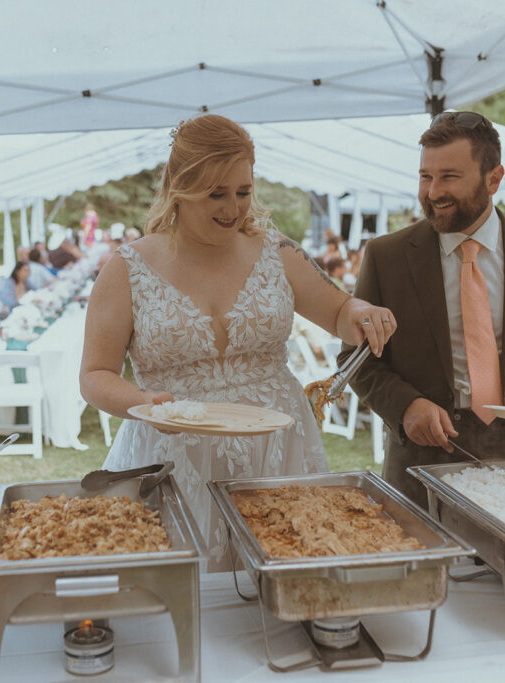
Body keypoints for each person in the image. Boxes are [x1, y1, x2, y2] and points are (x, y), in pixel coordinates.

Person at [80, 114, 396, 569]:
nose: (233, 208)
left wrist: (361, 312)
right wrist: (144, 401)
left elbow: (339, 312)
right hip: (174, 449)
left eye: (243, 192)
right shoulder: (127, 268)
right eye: (216, 194)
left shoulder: (277, 251)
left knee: (285, 570)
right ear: (180, 188)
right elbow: (94, 375)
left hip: (276, 448)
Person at [341, 111, 505, 507]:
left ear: (494, 179)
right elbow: (356, 358)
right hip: (423, 467)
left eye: (449, 177)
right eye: (425, 176)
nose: (432, 192)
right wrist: (406, 405)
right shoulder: (386, 256)